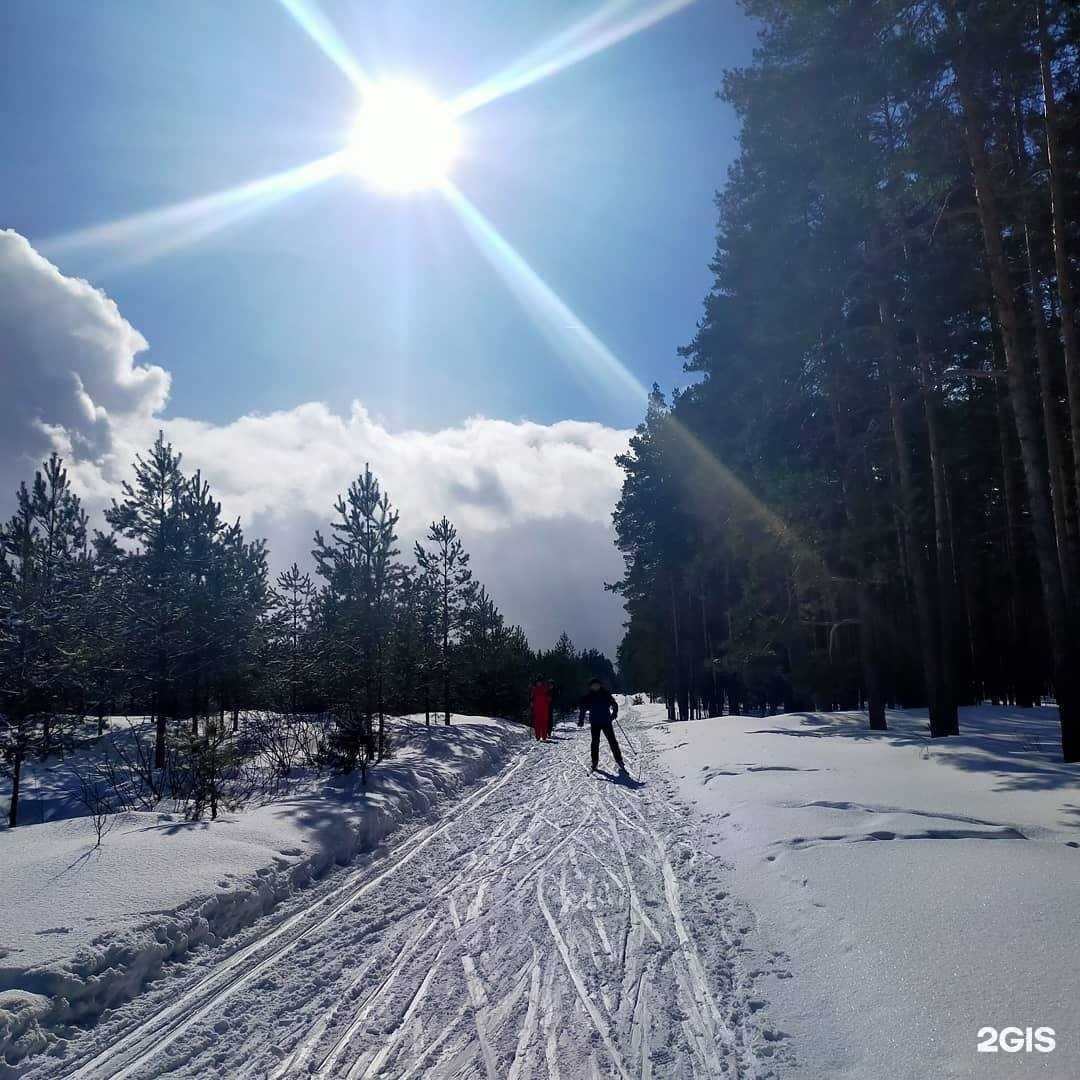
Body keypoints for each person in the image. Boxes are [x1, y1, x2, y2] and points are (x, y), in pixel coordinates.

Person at [577, 677, 625, 773]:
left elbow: (614, 704)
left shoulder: (605, 694)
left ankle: (618, 759)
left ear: (600, 685)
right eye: (593, 685)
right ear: (591, 686)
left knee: (612, 741)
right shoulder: (589, 696)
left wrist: (614, 714)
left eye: (597, 685)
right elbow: (583, 709)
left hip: (606, 721)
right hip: (595, 722)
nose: (595, 686)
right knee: (595, 743)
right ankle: (594, 762)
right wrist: (581, 720)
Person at [530, 677, 552, 741]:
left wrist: (548, 699)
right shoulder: (534, 689)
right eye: (537, 682)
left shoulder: (545, 689)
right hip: (537, 708)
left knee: (544, 723)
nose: (538, 683)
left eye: (539, 682)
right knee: (537, 723)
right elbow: (531, 698)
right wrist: (531, 703)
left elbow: (549, 697)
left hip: (544, 708)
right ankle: (537, 736)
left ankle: (544, 736)